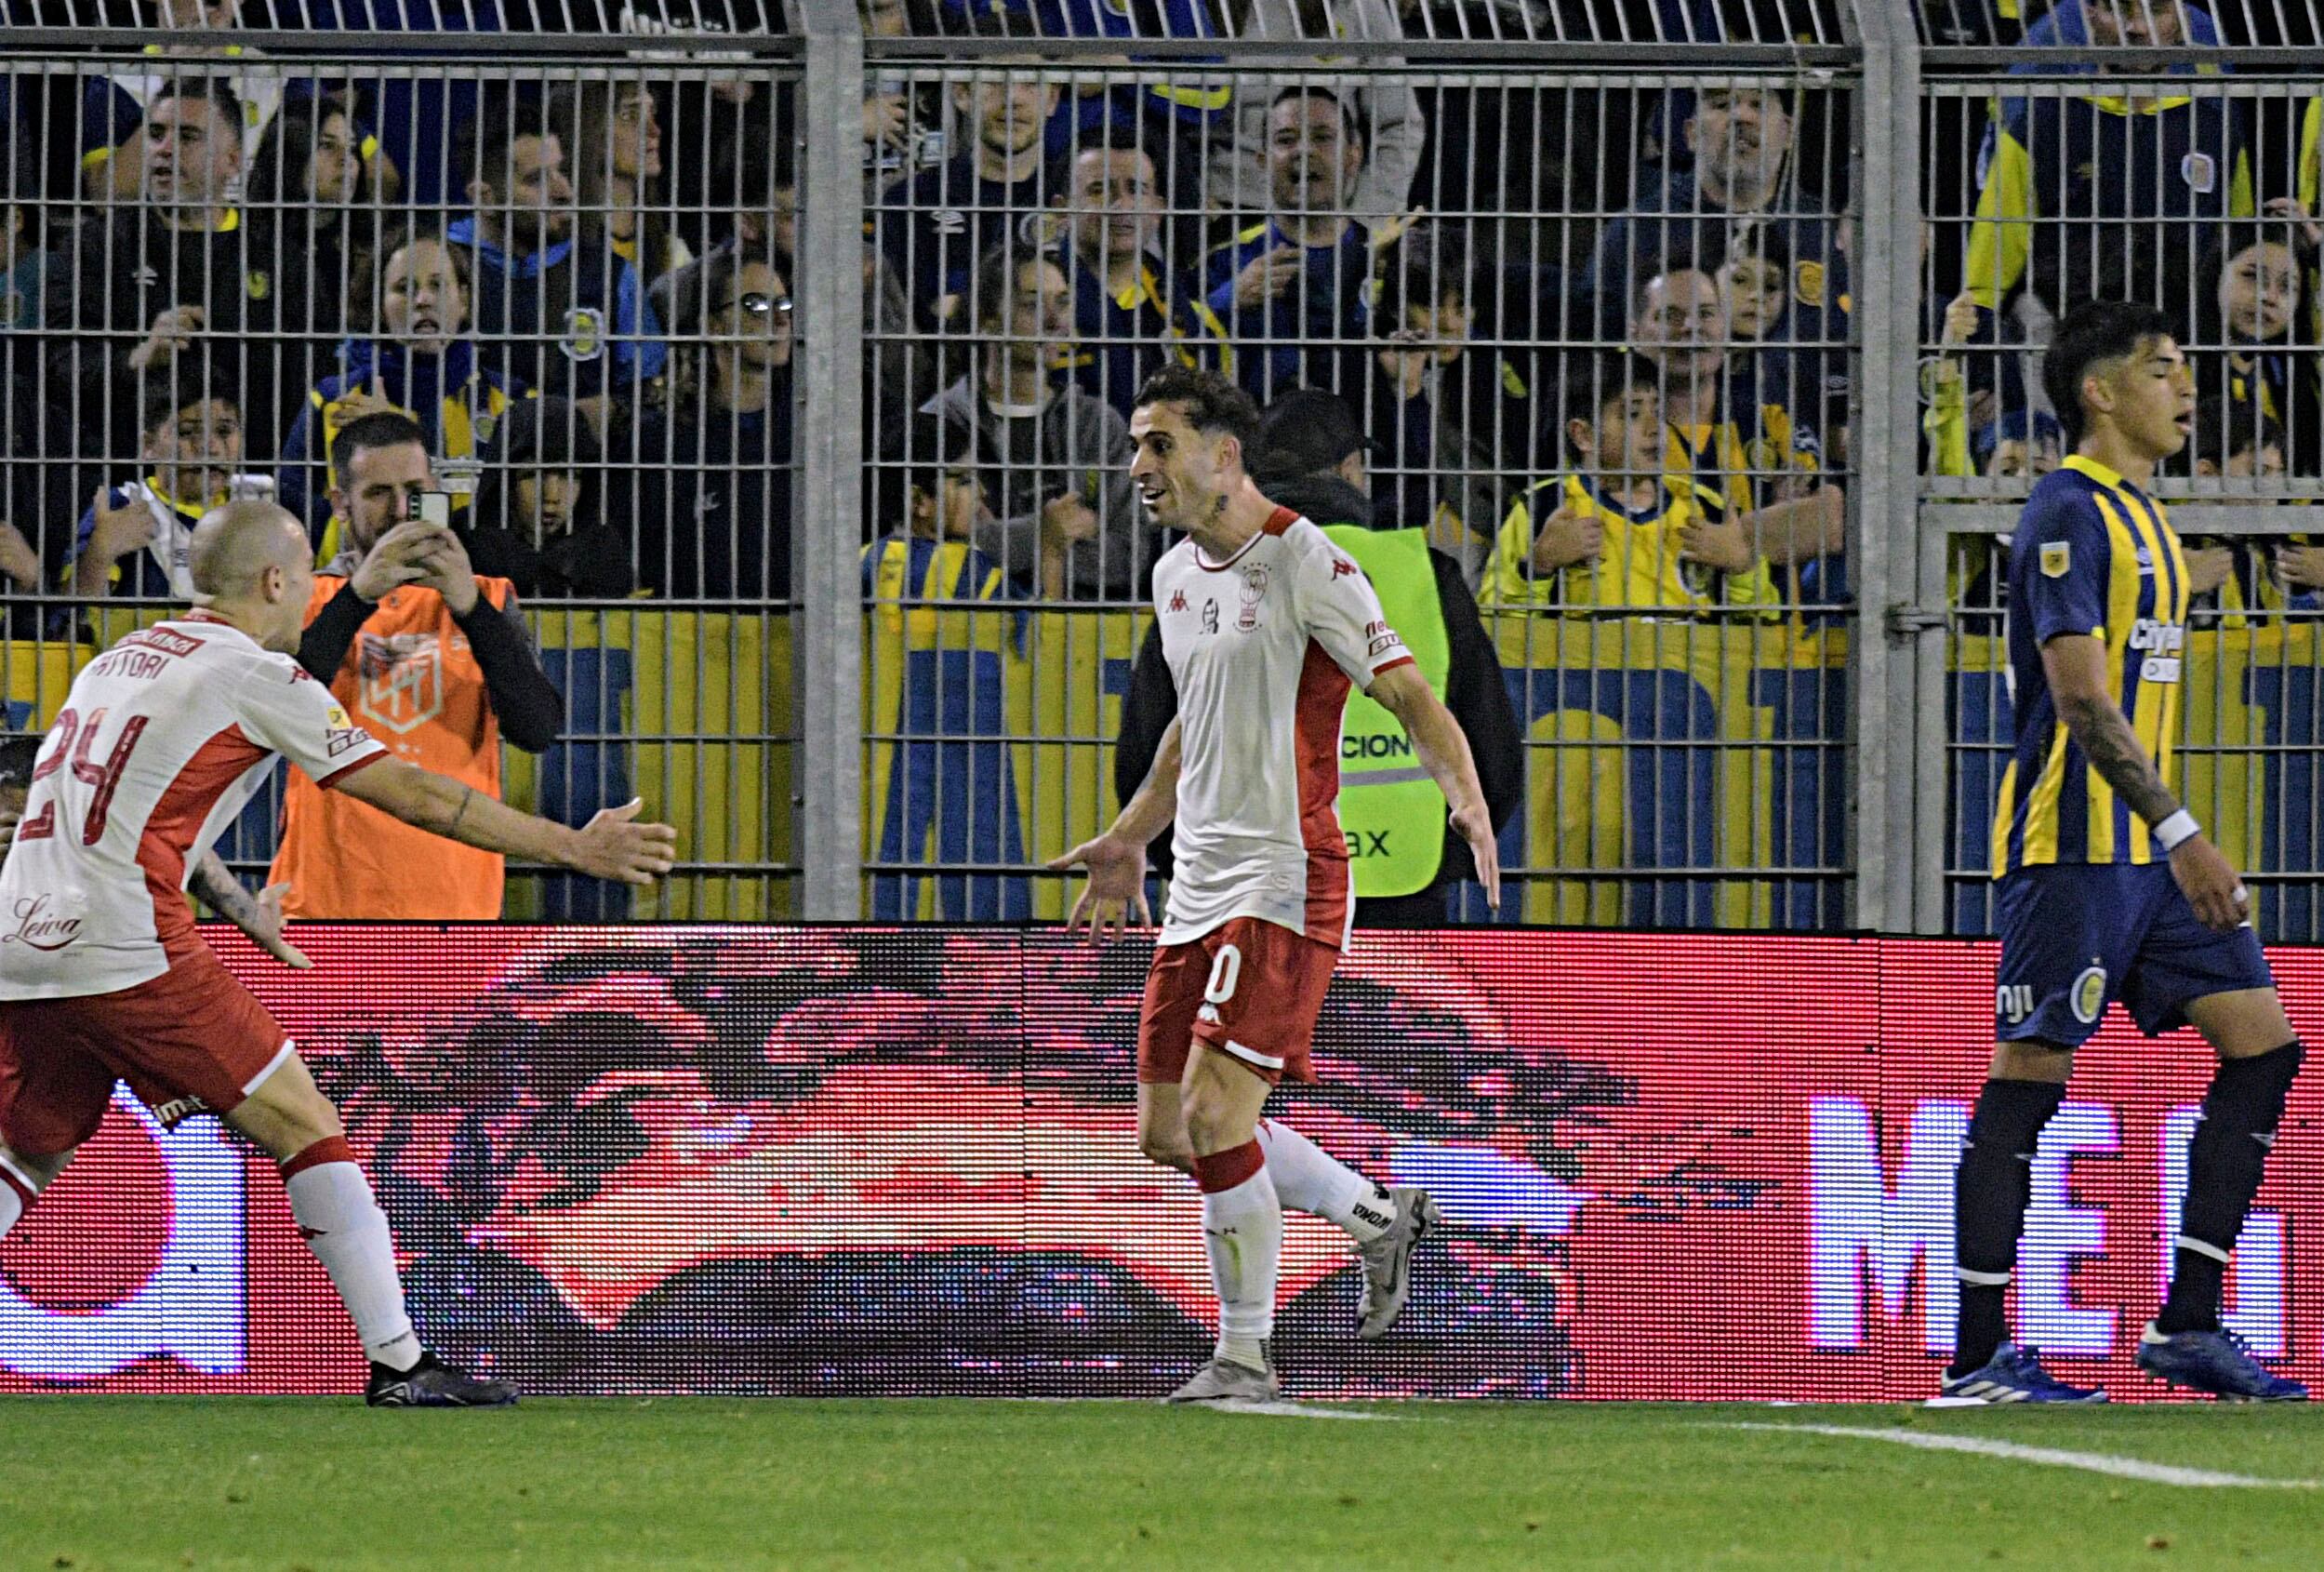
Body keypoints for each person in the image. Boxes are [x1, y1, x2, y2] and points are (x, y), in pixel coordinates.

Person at [0, 496, 675, 1407]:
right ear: (277, 582)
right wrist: (575, 848)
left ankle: (401, 1361)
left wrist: (239, 906)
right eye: (301, 583)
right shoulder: (255, 673)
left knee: (25, 1151)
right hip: (127, 943)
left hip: (21, 937)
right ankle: (400, 1360)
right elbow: (414, 794)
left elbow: (137, 806)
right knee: (305, 1120)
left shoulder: (121, 658)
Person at [1048, 366, 1501, 1404]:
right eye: (1134, 444)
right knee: (1168, 1129)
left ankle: (1244, 1355)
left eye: (1158, 444)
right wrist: (1128, 839)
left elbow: (1407, 690)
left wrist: (1465, 797)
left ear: (1225, 454)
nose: (1137, 467)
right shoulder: (1174, 578)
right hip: (1198, 882)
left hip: (1286, 877)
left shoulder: (1307, 561)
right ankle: (1377, 1222)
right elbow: (1182, 732)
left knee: (1218, 1116)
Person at [1939, 299, 2306, 1405]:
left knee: (2265, 1048)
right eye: (2164, 367)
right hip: (2075, 847)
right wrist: (2184, 830)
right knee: (2031, 1075)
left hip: (2145, 860)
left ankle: (2190, 1323)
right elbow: (2084, 704)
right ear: (2099, 391)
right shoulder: (2067, 511)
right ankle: (1976, 1357)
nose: (2186, 386)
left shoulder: (2148, 519)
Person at [1115, 387, 1520, 928]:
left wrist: (1181, 861)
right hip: (1403, 882)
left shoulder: (1207, 569)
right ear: (1350, 469)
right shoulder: (1423, 573)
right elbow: (1487, 738)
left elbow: (1149, 746)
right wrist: (1450, 857)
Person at [268, 411, 564, 920]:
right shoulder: (310, 598)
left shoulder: (487, 598)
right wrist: (362, 594)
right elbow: (276, 705)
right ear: (340, 505)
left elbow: (536, 728)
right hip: (323, 901)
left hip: (455, 903)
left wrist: (468, 602)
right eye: (378, 493)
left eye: (414, 490)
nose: (400, 509)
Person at [59, 77, 304, 462]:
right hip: (130, 475)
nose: (164, 150)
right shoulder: (99, 245)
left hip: (252, 482)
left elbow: (308, 371)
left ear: (233, 160)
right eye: (156, 134)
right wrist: (138, 359)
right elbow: (58, 362)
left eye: (188, 137)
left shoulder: (278, 255)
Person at [277, 224, 534, 543]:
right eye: (403, 288)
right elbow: (290, 516)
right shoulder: (332, 402)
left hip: (472, 586)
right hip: (359, 586)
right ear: (380, 305)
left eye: (438, 285)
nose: (423, 300)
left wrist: (392, 433)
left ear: (464, 300)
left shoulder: (514, 401)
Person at [1479, 354, 1782, 621]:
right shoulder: (1543, 509)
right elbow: (1500, 635)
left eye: (1659, 412)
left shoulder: (1706, 508)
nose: (1654, 429)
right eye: (1633, 414)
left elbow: (1762, 634)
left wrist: (1742, 568)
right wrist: (1538, 567)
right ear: (1583, 435)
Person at [920, 245, 1130, 598]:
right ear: (986, 320)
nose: (1055, 321)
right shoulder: (939, 422)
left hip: (1079, 634)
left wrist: (1001, 542)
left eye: (1062, 302)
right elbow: (933, 555)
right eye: (1033, 305)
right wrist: (1046, 534)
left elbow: (1127, 556)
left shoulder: (1097, 424)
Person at [447, 92, 668, 419]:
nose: (564, 190)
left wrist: (615, 410)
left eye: (560, 170)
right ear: (486, 198)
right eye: (538, 180)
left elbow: (651, 389)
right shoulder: (441, 267)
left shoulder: (609, 275)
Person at [618, 247, 796, 603]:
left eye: (785, 305)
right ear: (714, 327)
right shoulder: (658, 443)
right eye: (757, 306)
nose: (779, 320)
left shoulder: (806, 436)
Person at [1203, 88, 1374, 405]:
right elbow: (1179, 350)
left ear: (1353, 156)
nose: (1304, 151)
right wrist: (1226, 301)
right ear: (1263, 161)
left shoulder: (1386, 258)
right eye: (1286, 140)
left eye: (1322, 137)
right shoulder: (1224, 262)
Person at [874, 41, 1059, 330]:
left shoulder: (1071, 198)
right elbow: (905, 321)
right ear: (961, 93)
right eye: (994, 81)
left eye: (1031, 82)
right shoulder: (911, 200)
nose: (1013, 98)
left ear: (1052, 100)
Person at [1054, 129, 1231, 420]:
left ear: (1158, 209)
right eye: (1098, 190)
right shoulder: (1026, 307)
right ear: (1061, 211)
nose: (1120, 205)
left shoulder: (1197, 324)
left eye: (1136, 190)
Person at [68, 368, 259, 610]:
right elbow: (67, 625)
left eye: (224, 431)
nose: (209, 448)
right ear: (148, 446)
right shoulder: (121, 507)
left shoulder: (267, 502)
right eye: (187, 432)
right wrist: (99, 553)